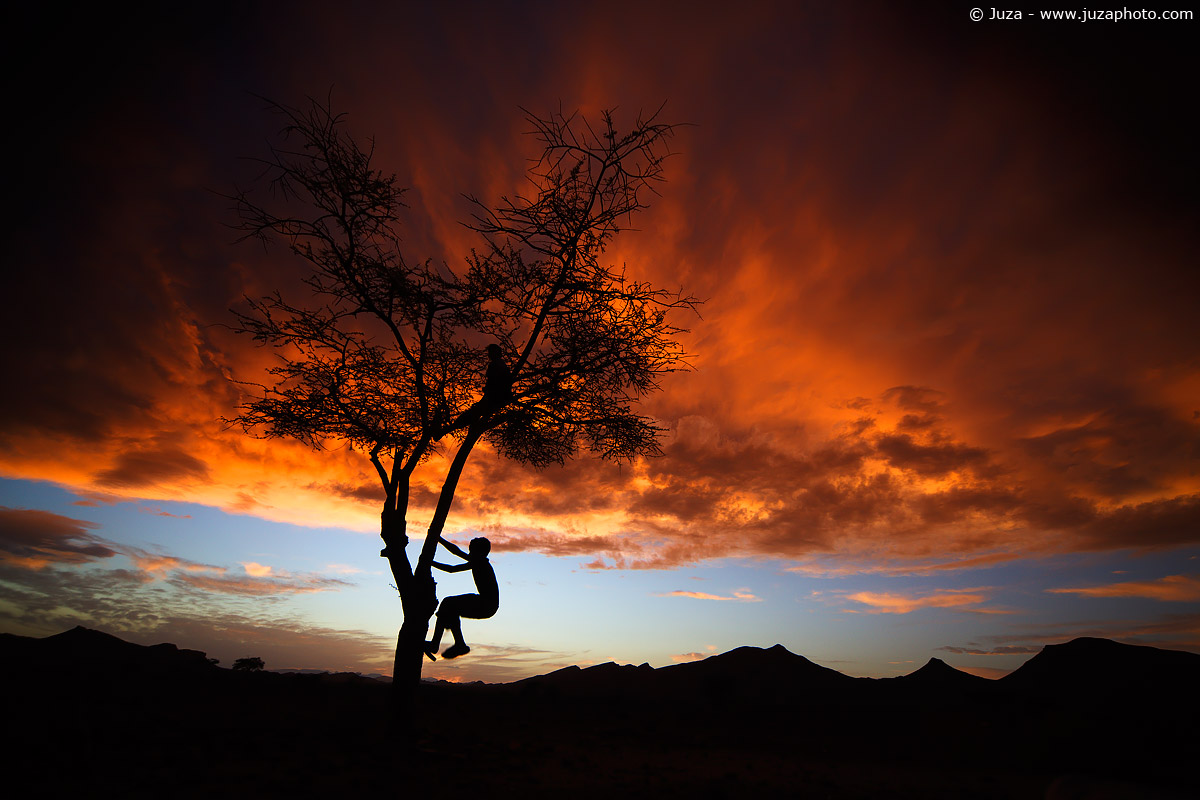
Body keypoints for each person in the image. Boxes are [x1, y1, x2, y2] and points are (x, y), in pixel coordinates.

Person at [425, 536, 499, 660]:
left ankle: (439, 644)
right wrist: (432, 559)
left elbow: (454, 561)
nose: (469, 553)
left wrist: (437, 541)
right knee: (449, 607)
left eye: (472, 550)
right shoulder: (478, 562)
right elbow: (453, 561)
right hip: (487, 605)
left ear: (479, 551)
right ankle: (455, 644)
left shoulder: (480, 562)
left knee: (448, 604)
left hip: (486, 604)